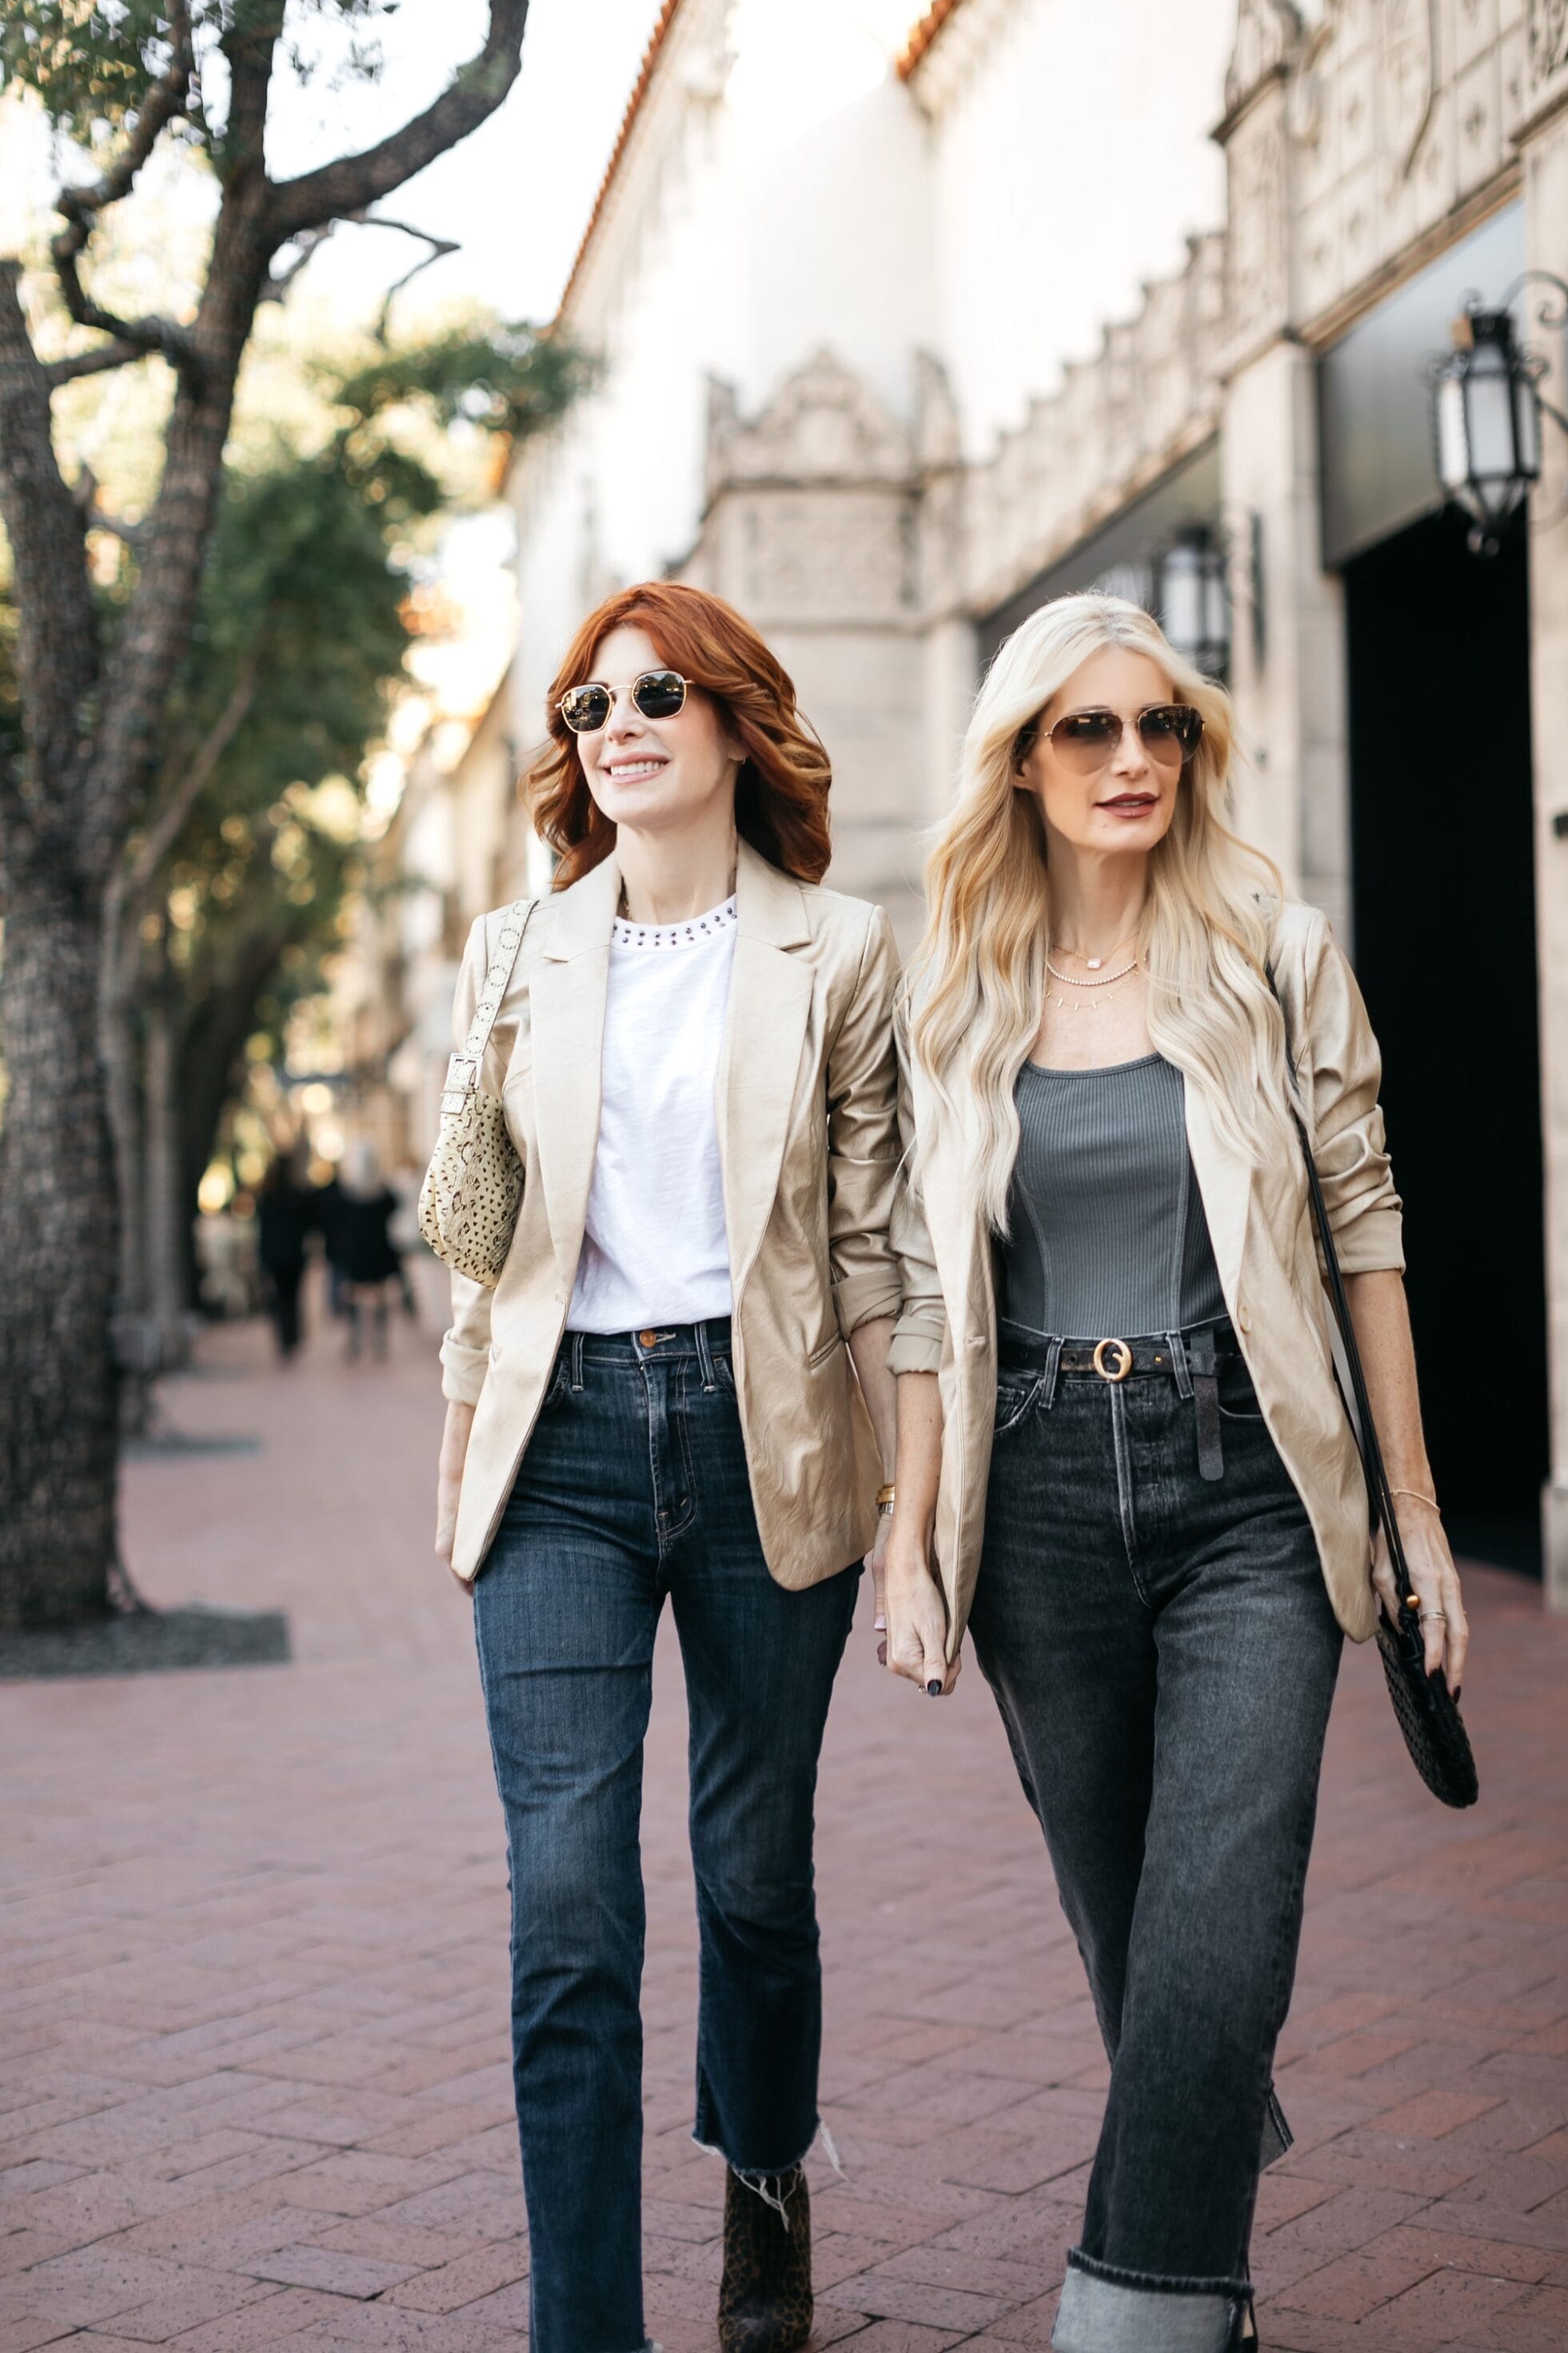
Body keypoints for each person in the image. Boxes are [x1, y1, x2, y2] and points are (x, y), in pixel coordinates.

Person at [880, 593, 1468, 2353]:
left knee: (1224, 1902)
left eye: (1161, 728)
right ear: (1022, 759)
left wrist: (1417, 1518)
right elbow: (917, 1286)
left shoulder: (1271, 948)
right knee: (1130, 1931)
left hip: (1249, 1491)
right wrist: (910, 1538)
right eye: (1087, 729)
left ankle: (1134, 2314)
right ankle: (1200, 2181)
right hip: (1037, 1491)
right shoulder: (953, 983)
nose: (1132, 760)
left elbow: (1367, 1227)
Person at [432, 581, 903, 2353]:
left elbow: (875, 1252)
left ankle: (764, 2175)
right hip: (555, 1450)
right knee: (566, 1904)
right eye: (582, 707)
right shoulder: (513, 951)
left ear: (730, 723)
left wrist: (910, 1510)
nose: (612, 724)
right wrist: (464, 1448)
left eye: (651, 695)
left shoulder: (838, 951)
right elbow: (481, 1240)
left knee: (750, 1874)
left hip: (762, 1431)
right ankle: (587, 2328)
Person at [326, 1141, 401, 1360]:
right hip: (378, 1251)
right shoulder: (383, 1193)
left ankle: (356, 1339)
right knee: (378, 1297)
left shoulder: (345, 1194)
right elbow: (394, 1207)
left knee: (354, 1297)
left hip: (355, 1252)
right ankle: (378, 1339)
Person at [256, 1154, 314, 1359]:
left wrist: (262, 1259)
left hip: (275, 1256)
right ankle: (291, 1335)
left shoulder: (267, 1197)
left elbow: (262, 1232)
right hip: (294, 1256)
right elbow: (309, 1225)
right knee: (293, 1297)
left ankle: (285, 1337)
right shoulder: (297, 1196)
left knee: (281, 1297)